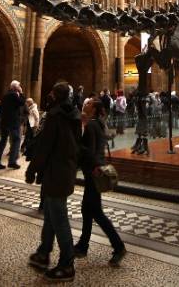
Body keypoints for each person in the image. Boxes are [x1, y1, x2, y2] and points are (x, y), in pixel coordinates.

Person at [27, 82, 82, 281]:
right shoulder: (74, 113)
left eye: (51, 92)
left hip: (55, 172)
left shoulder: (55, 116)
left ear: (55, 95)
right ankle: (43, 252)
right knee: (51, 214)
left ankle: (67, 264)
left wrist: (32, 169)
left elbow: (45, 146)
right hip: (66, 170)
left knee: (59, 219)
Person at [73, 99, 126, 265]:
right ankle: (82, 245)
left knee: (96, 212)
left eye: (88, 104)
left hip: (94, 171)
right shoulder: (96, 124)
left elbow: (92, 149)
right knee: (86, 209)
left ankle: (119, 247)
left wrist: (94, 165)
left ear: (94, 109)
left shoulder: (92, 125)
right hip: (93, 171)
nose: (85, 105)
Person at [0, 80, 25, 170]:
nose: (20, 87)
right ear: (16, 87)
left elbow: (2, 109)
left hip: (4, 122)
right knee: (16, 140)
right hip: (13, 122)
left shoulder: (5, 95)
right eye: (19, 86)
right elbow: (22, 102)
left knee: (2, 141)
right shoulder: (14, 95)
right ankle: (12, 161)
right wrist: (21, 92)